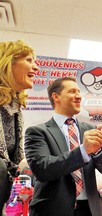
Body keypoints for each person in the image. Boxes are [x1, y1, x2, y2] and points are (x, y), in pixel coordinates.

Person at [24, 77, 102, 216]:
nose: (79, 96)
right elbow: (42, 168)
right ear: (56, 96)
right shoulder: (37, 132)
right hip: (52, 209)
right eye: (72, 91)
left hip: (90, 209)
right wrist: (83, 151)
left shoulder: (91, 130)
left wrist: (98, 151)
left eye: (79, 92)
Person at [0, 40, 39, 215]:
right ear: (9, 63)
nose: (36, 68)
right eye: (29, 60)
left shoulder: (14, 108)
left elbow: (14, 163)